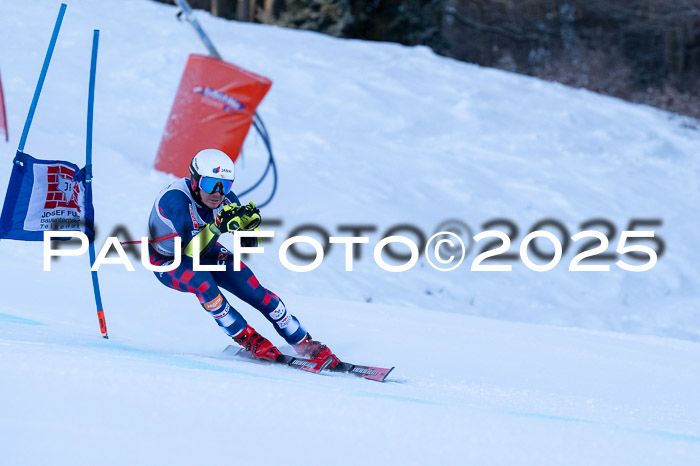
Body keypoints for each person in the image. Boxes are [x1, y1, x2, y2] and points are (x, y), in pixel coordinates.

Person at [148, 148, 339, 366]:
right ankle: (248, 338)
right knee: (204, 284)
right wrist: (219, 228)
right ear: (194, 181)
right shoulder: (176, 200)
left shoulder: (227, 199)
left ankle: (304, 341)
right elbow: (191, 252)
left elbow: (249, 246)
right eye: (210, 184)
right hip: (168, 258)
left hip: (204, 247)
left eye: (225, 185)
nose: (218, 193)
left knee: (253, 289)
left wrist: (249, 229)